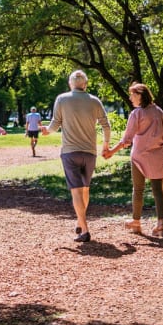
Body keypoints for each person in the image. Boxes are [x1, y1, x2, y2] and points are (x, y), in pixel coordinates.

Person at [41, 70, 111, 242]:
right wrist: (106, 146)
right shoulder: (95, 101)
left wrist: (46, 131)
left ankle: (85, 230)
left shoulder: (62, 99)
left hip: (70, 152)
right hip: (90, 152)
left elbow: (55, 124)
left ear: (70, 83)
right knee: (85, 189)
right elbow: (106, 125)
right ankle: (80, 221)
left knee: (76, 192)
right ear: (85, 84)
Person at [104, 83, 163, 238]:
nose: (130, 97)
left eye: (132, 94)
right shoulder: (159, 111)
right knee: (158, 191)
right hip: (157, 156)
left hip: (139, 156)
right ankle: (161, 225)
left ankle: (136, 222)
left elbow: (127, 139)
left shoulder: (136, 114)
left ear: (140, 95)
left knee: (138, 189)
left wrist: (112, 152)